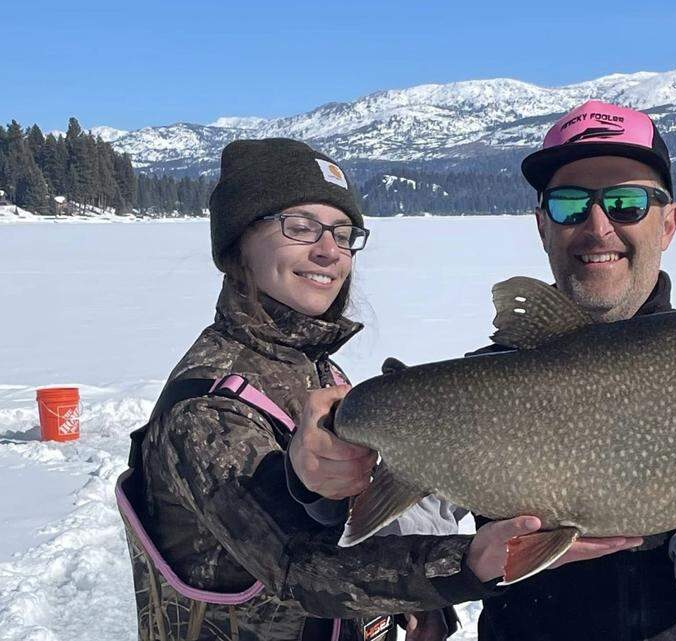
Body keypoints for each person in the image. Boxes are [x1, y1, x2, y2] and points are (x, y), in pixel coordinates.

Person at [295, 101, 676, 640]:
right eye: (568, 205)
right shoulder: (475, 390)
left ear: (669, 222)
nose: (598, 226)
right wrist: (326, 482)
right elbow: (409, 534)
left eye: (627, 203)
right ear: (543, 225)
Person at [120, 138, 639, 641]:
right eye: (300, 228)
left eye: (343, 234)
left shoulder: (317, 372)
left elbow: (355, 524)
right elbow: (299, 568)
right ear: (238, 244)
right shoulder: (209, 409)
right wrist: (467, 564)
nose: (328, 252)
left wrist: (418, 608)